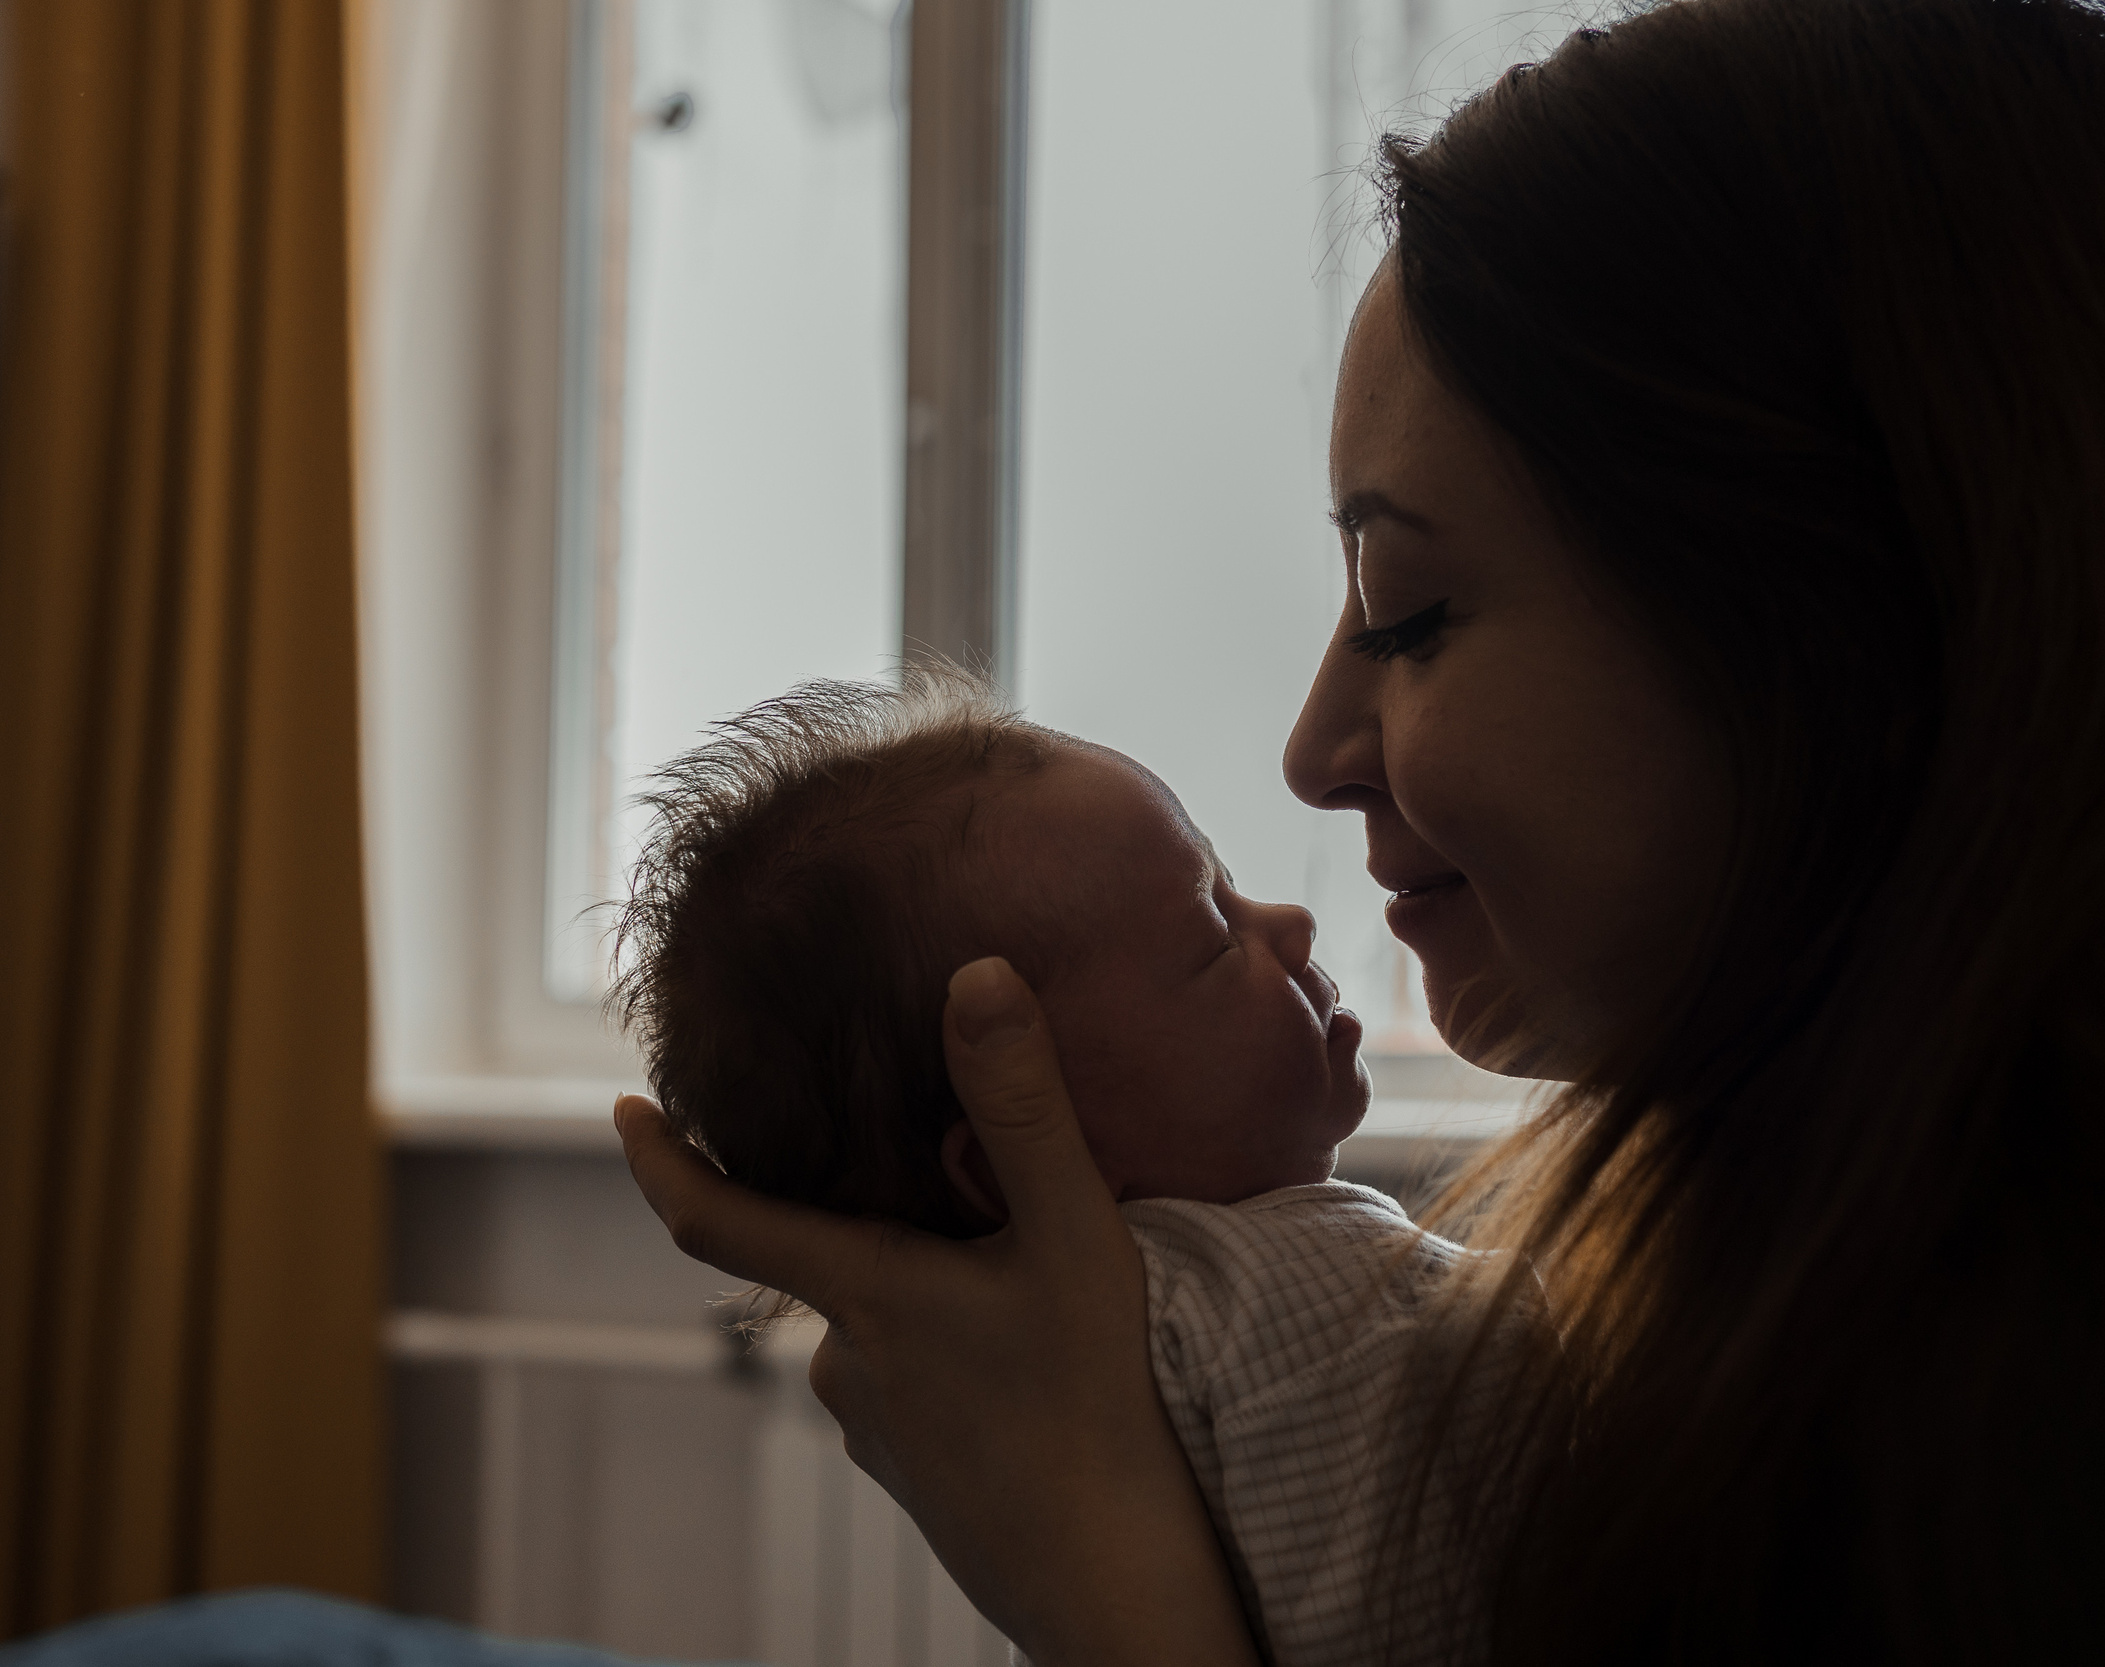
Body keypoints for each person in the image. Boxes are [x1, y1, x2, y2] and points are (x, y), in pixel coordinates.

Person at [619, 0, 2105, 1662]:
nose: (1311, 747)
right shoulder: (1909, 1243)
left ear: (1837, 611)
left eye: (1408, 609)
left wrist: (1100, 1572)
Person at [607, 675, 1525, 1665]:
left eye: (1231, 885)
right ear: (1021, 1148)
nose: (1290, 922)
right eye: (1215, 938)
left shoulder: (1047, 1381)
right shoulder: (1299, 1290)